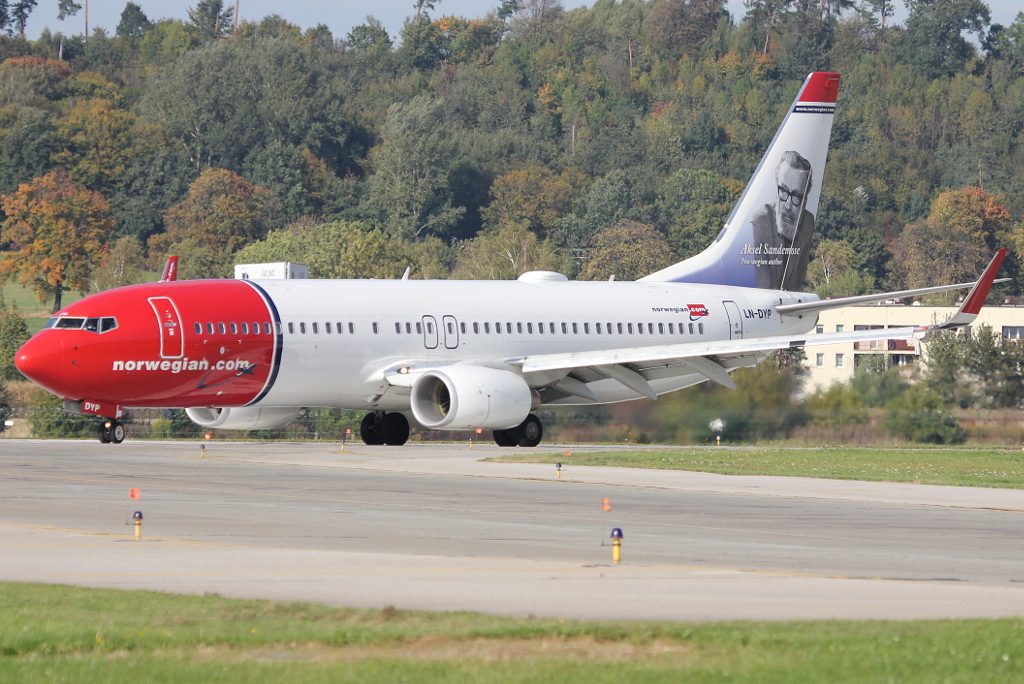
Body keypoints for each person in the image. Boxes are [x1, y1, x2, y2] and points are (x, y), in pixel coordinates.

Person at [751, 150, 815, 290]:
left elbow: (799, 280)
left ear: (805, 199)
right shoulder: (761, 222)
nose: (787, 205)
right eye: (783, 191)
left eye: (797, 195)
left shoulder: (807, 223)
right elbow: (763, 283)